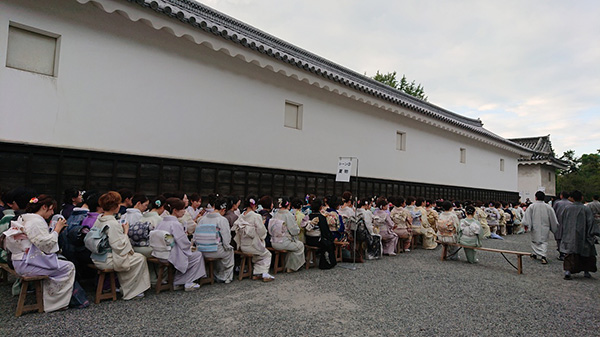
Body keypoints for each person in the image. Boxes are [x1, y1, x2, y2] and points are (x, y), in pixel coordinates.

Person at [4, 195, 77, 312]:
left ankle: (49, 299)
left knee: (61, 264)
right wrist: (57, 230)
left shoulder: (24, 218)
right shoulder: (36, 221)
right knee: (68, 267)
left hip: (19, 261)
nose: (52, 213)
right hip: (28, 264)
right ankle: (54, 303)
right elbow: (47, 245)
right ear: (44, 207)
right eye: (51, 209)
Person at [91, 191, 150, 300]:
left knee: (133, 257)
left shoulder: (99, 219)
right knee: (140, 258)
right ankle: (131, 289)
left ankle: (125, 286)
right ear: (115, 207)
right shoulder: (112, 224)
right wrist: (125, 232)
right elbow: (120, 246)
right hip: (107, 259)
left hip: (97, 256)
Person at [153, 198, 206, 291]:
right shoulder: (175, 223)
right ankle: (187, 282)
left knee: (188, 255)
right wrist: (189, 247)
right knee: (197, 255)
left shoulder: (161, 222)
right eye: (182, 209)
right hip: (171, 253)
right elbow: (183, 242)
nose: (184, 211)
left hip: (160, 253)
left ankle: (178, 281)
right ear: (175, 210)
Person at [232, 196, 275, 281]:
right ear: (253, 205)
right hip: (252, 245)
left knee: (260, 254)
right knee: (267, 254)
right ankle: (263, 273)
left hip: (243, 245)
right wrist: (262, 225)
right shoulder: (256, 216)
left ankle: (257, 272)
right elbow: (262, 232)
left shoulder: (241, 216)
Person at [560, 190, 600, 280]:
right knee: (587, 254)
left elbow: (563, 220)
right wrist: (592, 234)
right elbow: (590, 222)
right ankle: (586, 271)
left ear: (572, 198)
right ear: (581, 198)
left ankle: (568, 271)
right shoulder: (586, 209)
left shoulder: (567, 208)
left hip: (569, 234)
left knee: (570, 253)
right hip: (584, 235)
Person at [196, 197, 235, 283]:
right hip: (215, 250)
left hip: (201, 250)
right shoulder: (222, 220)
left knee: (222, 248)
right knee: (229, 251)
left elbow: (196, 236)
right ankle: (224, 276)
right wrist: (227, 246)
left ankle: (211, 273)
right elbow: (226, 238)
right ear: (223, 209)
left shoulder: (202, 219)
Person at [522, 191, 558, 265]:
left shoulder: (532, 206)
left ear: (536, 197)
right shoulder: (548, 207)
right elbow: (553, 218)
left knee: (535, 241)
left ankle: (534, 254)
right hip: (545, 226)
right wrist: (554, 227)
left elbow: (527, 217)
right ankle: (543, 256)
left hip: (535, 226)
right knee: (543, 241)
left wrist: (528, 225)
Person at [270, 197, 305, 272]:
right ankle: (291, 267)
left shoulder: (275, 213)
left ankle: (288, 264)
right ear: (288, 204)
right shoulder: (288, 215)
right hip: (283, 242)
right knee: (300, 245)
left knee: (295, 245)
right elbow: (294, 231)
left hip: (273, 241)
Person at [302, 198, 336, 269]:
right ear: (320, 207)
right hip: (317, 240)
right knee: (329, 244)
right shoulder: (321, 217)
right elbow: (325, 231)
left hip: (308, 239)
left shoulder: (308, 216)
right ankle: (328, 262)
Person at [552, 191, 572, 260]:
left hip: (559, 222)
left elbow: (553, 213)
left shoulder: (557, 203)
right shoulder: (571, 204)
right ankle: (567, 252)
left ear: (561, 196)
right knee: (567, 238)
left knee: (559, 239)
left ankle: (561, 253)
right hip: (569, 223)